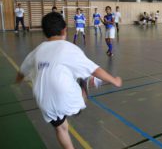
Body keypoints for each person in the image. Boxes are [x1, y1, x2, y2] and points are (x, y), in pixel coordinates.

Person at [16, 12, 122, 149]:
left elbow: (21, 72)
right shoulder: (69, 48)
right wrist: (114, 80)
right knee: (81, 74)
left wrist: (16, 83)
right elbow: (94, 70)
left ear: (45, 33)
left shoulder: (37, 51)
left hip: (45, 103)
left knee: (60, 128)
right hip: (69, 101)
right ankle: (84, 88)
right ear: (64, 30)